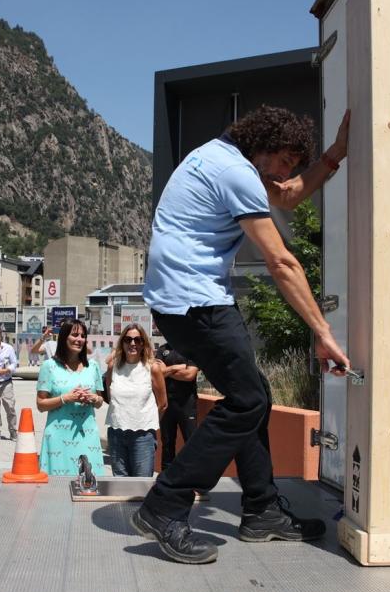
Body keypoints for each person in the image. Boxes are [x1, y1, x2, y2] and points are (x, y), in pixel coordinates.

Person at [131, 106, 352, 564]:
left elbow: (288, 195)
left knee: (253, 395)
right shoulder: (234, 171)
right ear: (266, 148)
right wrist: (323, 331)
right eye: (288, 160)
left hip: (182, 299)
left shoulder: (222, 157)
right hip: (196, 301)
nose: (289, 172)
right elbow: (282, 262)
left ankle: (262, 509)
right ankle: (164, 503)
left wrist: (333, 156)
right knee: (248, 401)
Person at [35, 318, 106, 476]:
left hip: (87, 435)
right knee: (57, 489)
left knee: (90, 484)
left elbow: (100, 401)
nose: (79, 339)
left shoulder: (93, 366)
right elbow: (40, 404)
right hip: (58, 438)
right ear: (63, 337)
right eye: (74, 335)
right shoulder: (49, 366)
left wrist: (94, 399)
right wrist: (65, 398)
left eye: (82, 336)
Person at [104, 324, 166, 477]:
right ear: (122, 342)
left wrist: (146, 422)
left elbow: (163, 404)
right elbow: (110, 396)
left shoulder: (152, 368)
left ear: (143, 343)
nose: (132, 344)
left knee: (141, 487)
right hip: (116, 434)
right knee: (120, 487)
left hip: (143, 437)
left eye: (137, 340)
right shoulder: (113, 366)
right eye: (128, 339)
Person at [155, 341, 200, 471]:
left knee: (191, 443)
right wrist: (177, 367)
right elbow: (157, 374)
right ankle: (165, 480)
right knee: (167, 443)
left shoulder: (191, 348)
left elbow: (190, 375)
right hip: (166, 403)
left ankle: (192, 480)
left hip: (187, 403)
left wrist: (166, 370)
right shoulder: (162, 349)